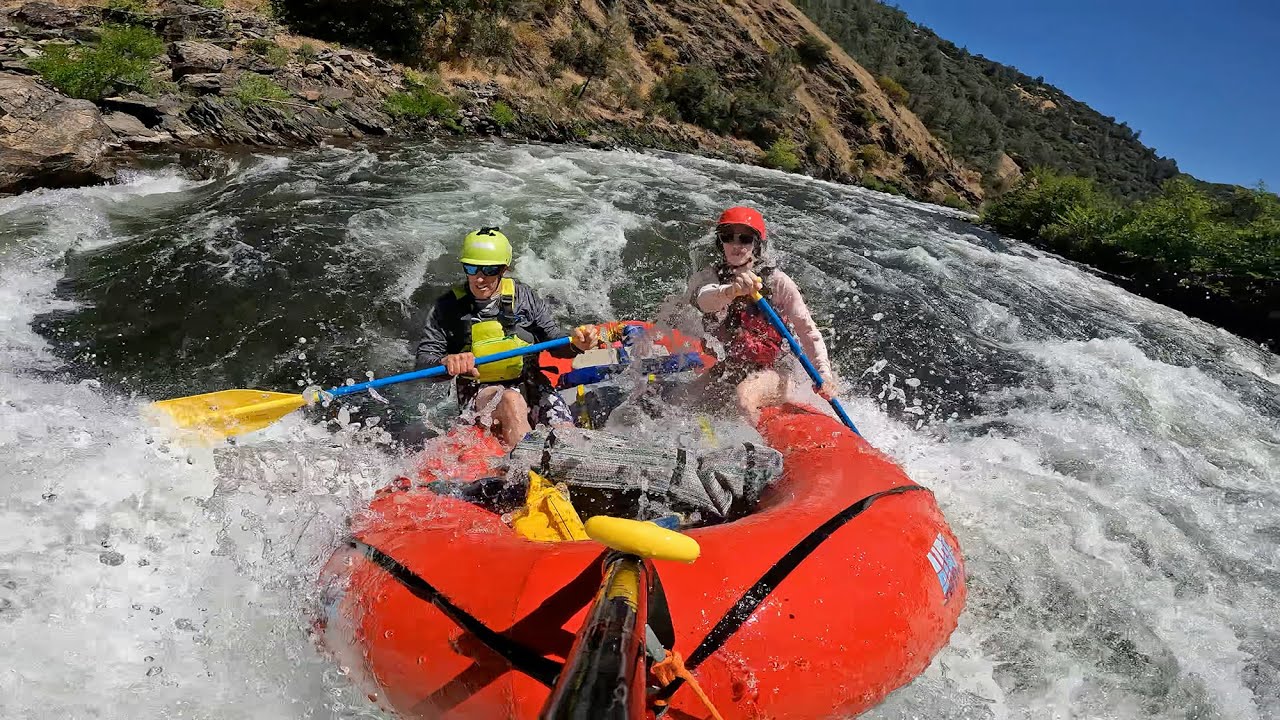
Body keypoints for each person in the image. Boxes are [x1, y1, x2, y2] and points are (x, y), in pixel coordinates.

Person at [415, 227, 600, 447]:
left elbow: (554, 342)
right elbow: (423, 362)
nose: (479, 279)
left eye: (489, 270)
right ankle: (529, 468)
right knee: (510, 400)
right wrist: (446, 362)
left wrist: (578, 345)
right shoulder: (446, 308)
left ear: (504, 269)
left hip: (531, 384)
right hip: (479, 391)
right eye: (471, 268)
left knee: (563, 431)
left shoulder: (525, 298)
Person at [685, 206, 838, 421]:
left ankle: (757, 451)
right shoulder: (712, 277)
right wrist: (730, 291)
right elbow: (705, 300)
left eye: (745, 239)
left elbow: (807, 330)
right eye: (729, 237)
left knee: (744, 397)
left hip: (775, 372)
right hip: (731, 365)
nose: (736, 246)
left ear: (757, 244)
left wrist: (823, 374)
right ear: (721, 242)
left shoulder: (777, 282)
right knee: (685, 397)